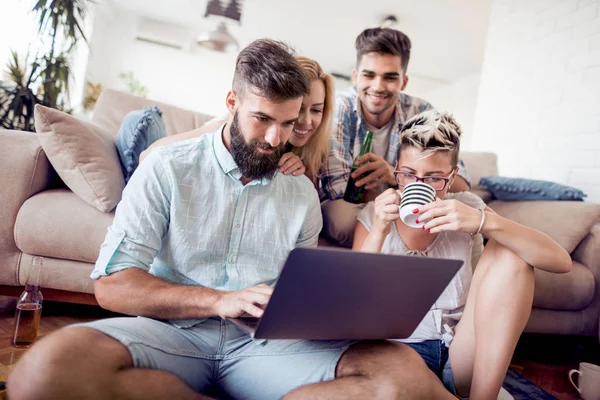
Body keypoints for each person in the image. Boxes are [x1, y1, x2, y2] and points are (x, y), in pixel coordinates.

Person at [8, 39, 457, 400]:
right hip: (173, 337)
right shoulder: (166, 168)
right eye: (261, 119)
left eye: (287, 122)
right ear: (231, 102)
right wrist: (218, 301)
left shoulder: (299, 191)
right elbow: (111, 285)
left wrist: (335, 312)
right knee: (45, 372)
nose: (275, 138)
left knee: (402, 374)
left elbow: (300, 295)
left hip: (266, 349)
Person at [353, 110, 572, 399]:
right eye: (408, 175)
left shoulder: (465, 206)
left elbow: (561, 262)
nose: (419, 186)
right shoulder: (375, 214)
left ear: (453, 176)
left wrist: (484, 222)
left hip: (461, 353)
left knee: (509, 250)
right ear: (396, 169)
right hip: (395, 353)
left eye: (434, 178)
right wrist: (380, 229)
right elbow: (353, 301)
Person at [320, 27, 471, 248]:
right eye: (368, 75)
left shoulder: (421, 111)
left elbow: (461, 185)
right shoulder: (339, 108)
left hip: (403, 204)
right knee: (342, 218)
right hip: (357, 207)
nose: (378, 86)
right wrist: (406, 187)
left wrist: (393, 175)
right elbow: (338, 189)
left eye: (390, 77)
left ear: (404, 82)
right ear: (355, 77)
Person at [139, 56, 335, 188]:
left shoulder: (316, 150)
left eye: (316, 110)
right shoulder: (229, 128)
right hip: (158, 154)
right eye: (298, 109)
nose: (306, 121)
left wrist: (299, 170)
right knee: (141, 122)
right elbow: (149, 157)